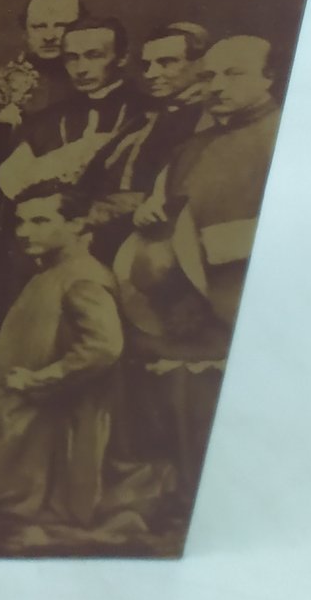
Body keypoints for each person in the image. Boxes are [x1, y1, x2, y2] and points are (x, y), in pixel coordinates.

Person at [114, 34, 283, 499]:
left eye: (234, 74)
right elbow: (162, 205)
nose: (218, 85)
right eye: (209, 75)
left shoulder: (286, 135)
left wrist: (209, 246)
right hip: (186, 300)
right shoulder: (191, 147)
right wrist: (149, 213)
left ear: (269, 77)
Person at [0, 184, 130, 534]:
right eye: (21, 222)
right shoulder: (50, 272)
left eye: (40, 221)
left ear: (77, 224)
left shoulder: (83, 279)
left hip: (53, 418)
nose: (24, 232)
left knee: (2, 504)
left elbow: (104, 347)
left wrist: (42, 378)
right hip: (18, 406)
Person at [79, 21, 211, 251]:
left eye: (166, 63)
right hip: (106, 231)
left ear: (201, 63)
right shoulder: (147, 116)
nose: (151, 74)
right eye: (147, 65)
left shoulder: (209, 119)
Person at [0, 16, 141, 200]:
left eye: (94, 56)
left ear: (122, 58)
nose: (81, 69)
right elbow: (11, 182)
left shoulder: (150, 112)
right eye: (72, 58)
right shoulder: (45, 120)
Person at [0, 0, 84, 124]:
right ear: (25, 33)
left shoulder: (94, 80)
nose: (49, 37)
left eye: (61, 26)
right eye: (38, 27)